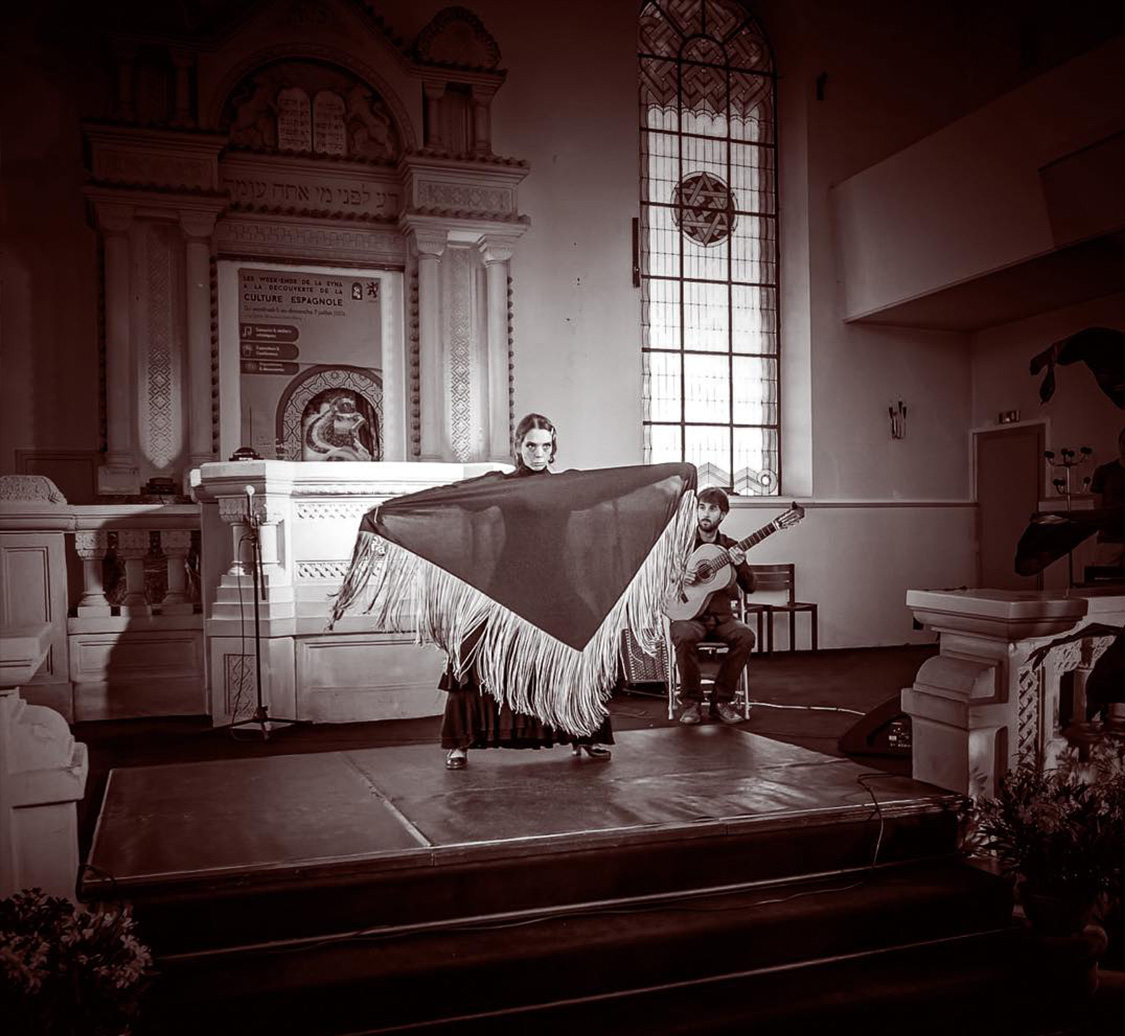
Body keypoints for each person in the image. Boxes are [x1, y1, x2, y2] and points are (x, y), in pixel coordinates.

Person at [441, 413, 614, 769]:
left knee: (580, 651)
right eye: (531, 445)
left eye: (545, 446)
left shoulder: (566, 486)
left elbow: (616, 486)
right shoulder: (504, 485)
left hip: (553, 583)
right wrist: (399, 508)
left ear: (553, 448)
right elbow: (457, 498)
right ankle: (459, 744)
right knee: (471, 652)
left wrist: (672, 480)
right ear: (518, 448)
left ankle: (587, 732)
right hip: (509, 582)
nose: (538, 453)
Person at [670, 487, 756, 725]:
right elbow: (660, 578)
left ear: (723, 515)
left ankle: (721, 702)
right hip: (690, 617)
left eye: (712, 508)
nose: (705, 514)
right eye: (701, 507)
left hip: (722, 619)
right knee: (683, 635)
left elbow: (750, 587)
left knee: (746, 636)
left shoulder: (732, 547)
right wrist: (678, 577)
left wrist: (739, 566)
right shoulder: (682, 545)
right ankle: (692, 703)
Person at [1089, 426, 1125, 568]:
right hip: (1109, 537)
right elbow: (1098, 508)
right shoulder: (1104, 471)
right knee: (1103, 582)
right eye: (1124, 442)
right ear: (1119, 444)